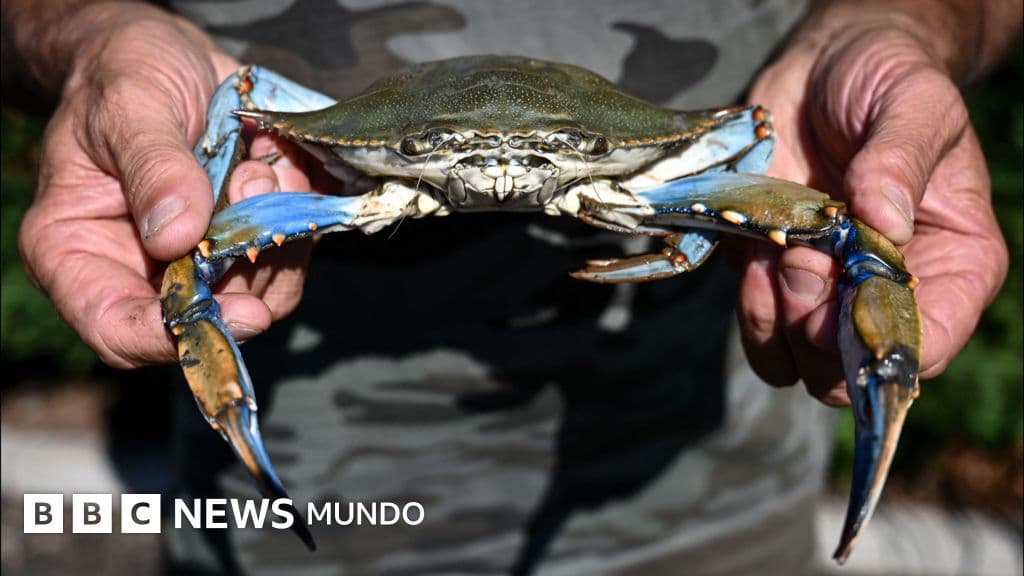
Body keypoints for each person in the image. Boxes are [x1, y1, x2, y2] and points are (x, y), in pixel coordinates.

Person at [6, 0, 1018, 574]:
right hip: (277, 536)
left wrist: (907, 21)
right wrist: (87, 38)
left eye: (551, 156)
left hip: (710, 516)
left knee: (849, 233)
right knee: (191, 268)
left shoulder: (695, 150)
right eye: (438, 153)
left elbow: (762, 134)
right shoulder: (301, 142)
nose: (497, 175)